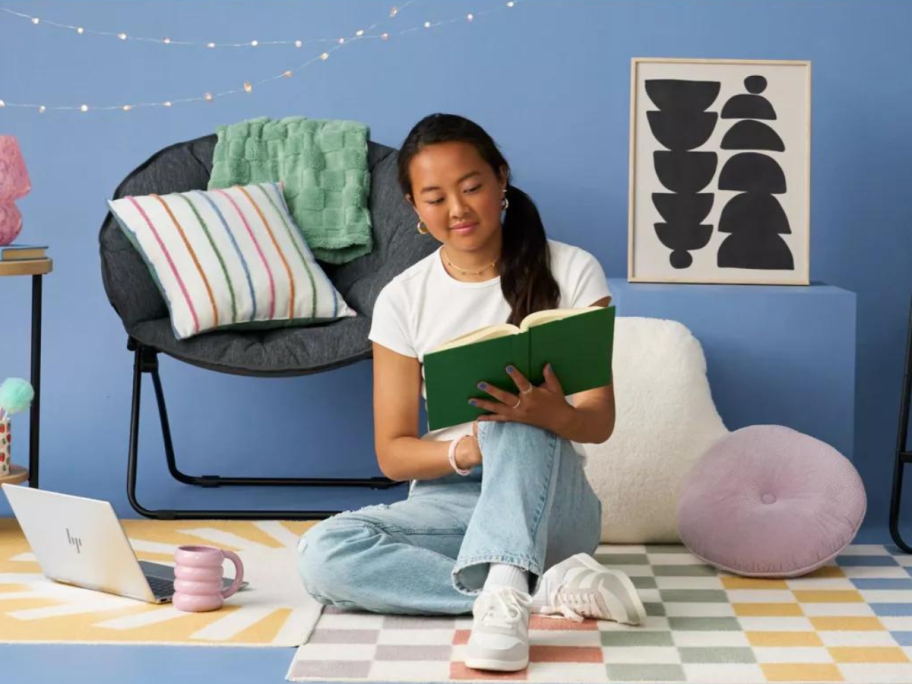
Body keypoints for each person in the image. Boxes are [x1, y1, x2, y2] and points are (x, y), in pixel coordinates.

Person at [296, 113, 646, 673]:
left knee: (514, 407)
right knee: (323, 555)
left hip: (555, 502)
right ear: (414, 208)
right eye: (434, 197)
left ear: (501, 179)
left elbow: (599, 421)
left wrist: (553, 414)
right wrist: (469, 450)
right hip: (452, 502)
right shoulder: (402, 298)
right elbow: (393, 453)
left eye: (472, 187)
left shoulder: (573, 270)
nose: (457, 210)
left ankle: (508, 593)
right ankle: (539, 592)